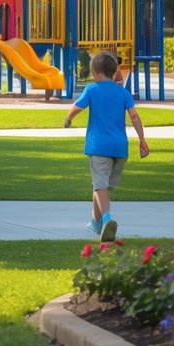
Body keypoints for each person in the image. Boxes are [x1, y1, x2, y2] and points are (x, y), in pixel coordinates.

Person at [64, 51, 149, 242]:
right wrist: (142, 140)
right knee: (102, 186)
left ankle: (107, 219)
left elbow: (77, 107)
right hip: (120, 148)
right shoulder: (123, 92)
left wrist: (68, 118)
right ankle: (95, 222)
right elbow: (134, 116)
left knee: (100, 184)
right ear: (114, 71)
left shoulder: (92, 89)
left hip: (99, 146)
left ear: (95, 72)